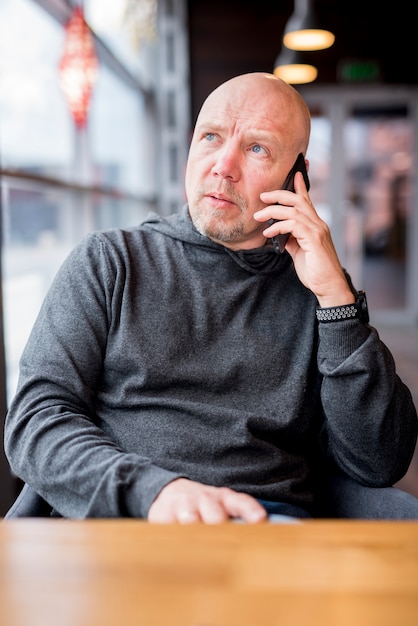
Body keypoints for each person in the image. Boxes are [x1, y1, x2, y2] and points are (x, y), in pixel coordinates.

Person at [4, 72, 417, 523]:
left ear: (297, 176)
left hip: (265, 526)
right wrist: (155, 493)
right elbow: (35, 421)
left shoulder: (317, 290)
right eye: (211, 137)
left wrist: (336, 299)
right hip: (125, 519)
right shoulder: (110, 262)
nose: (223, 165)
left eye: (257, 147)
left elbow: (379, 459)